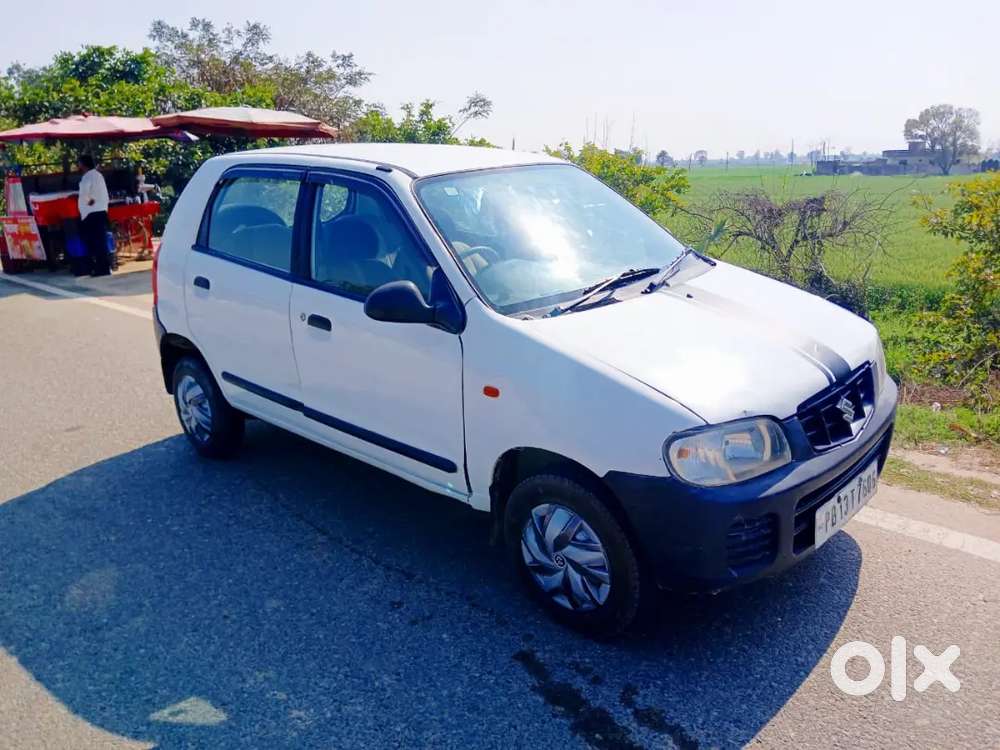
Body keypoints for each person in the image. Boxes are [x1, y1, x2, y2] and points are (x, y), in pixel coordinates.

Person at [77, 154, 111, 276]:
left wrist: (88, 201)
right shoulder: (98, 175)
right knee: (101, 241)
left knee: (94, 242)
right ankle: (105, 268)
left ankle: (98, 269)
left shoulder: (87, 177)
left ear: (83, 164)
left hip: (91, 213)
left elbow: (84, 194)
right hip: (102, 211)